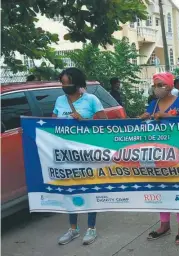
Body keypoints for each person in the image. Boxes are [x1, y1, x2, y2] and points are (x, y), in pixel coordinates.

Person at [54, 68, 107, 246]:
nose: (63, 86)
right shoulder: (60, 100)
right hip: (65, 155)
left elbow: (105, 124)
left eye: (66, 82)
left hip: (87, 154)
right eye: (61, 82)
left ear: (77, 83)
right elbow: (51, 124)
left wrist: (84, 121)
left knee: (89, 190)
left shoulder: (91, 100)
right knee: (71, 191)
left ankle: (91, 228)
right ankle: (73, 229)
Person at [141, 72, 179, 245]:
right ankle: (164, 225)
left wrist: (168, 116)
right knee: (160, 189)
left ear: (170, 86)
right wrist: (143, 118)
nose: (157, 88)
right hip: (156, 155)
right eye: (155, 85)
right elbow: (145, 124)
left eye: (161, 85)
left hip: (176, 154)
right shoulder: (153, 104)